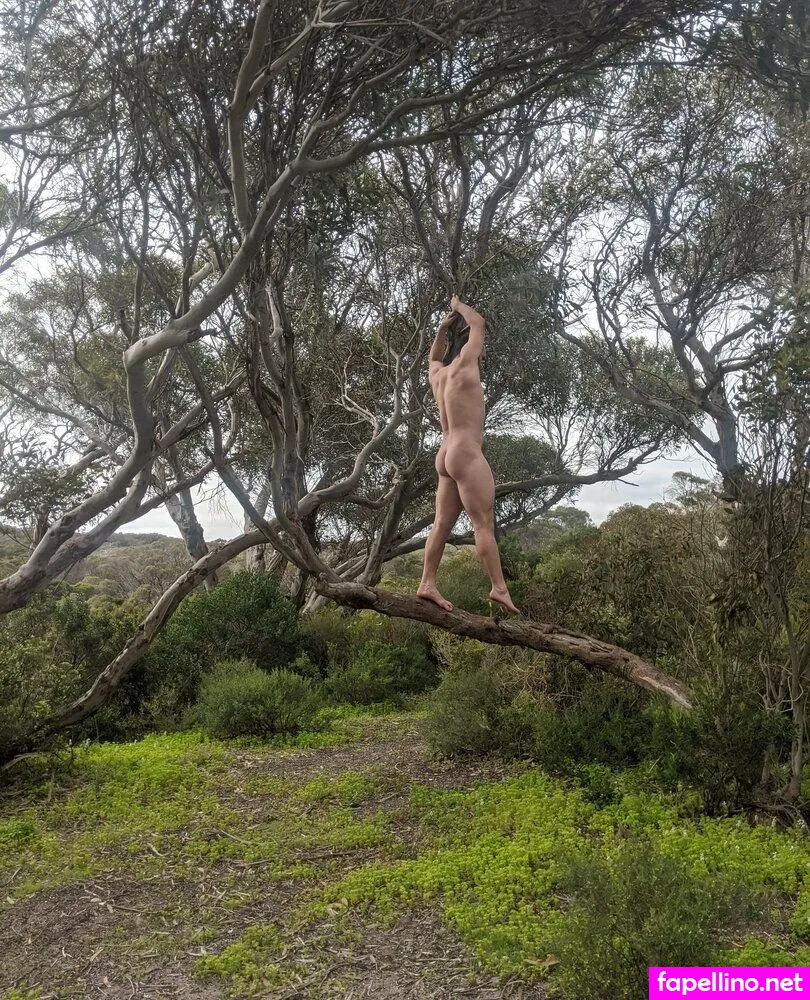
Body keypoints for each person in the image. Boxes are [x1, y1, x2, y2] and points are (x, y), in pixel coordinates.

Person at [416, 294, 520, 614]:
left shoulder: (438, 375)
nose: (482, 351)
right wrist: (458, 305)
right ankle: (499, 588)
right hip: (466, 451)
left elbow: (433, 357)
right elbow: (479, 322)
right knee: (483, 523)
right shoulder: (466, 363)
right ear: (468, 347)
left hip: (445, 452)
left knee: (441, 524)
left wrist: (441, 329)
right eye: (479, 347)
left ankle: (427, 583)